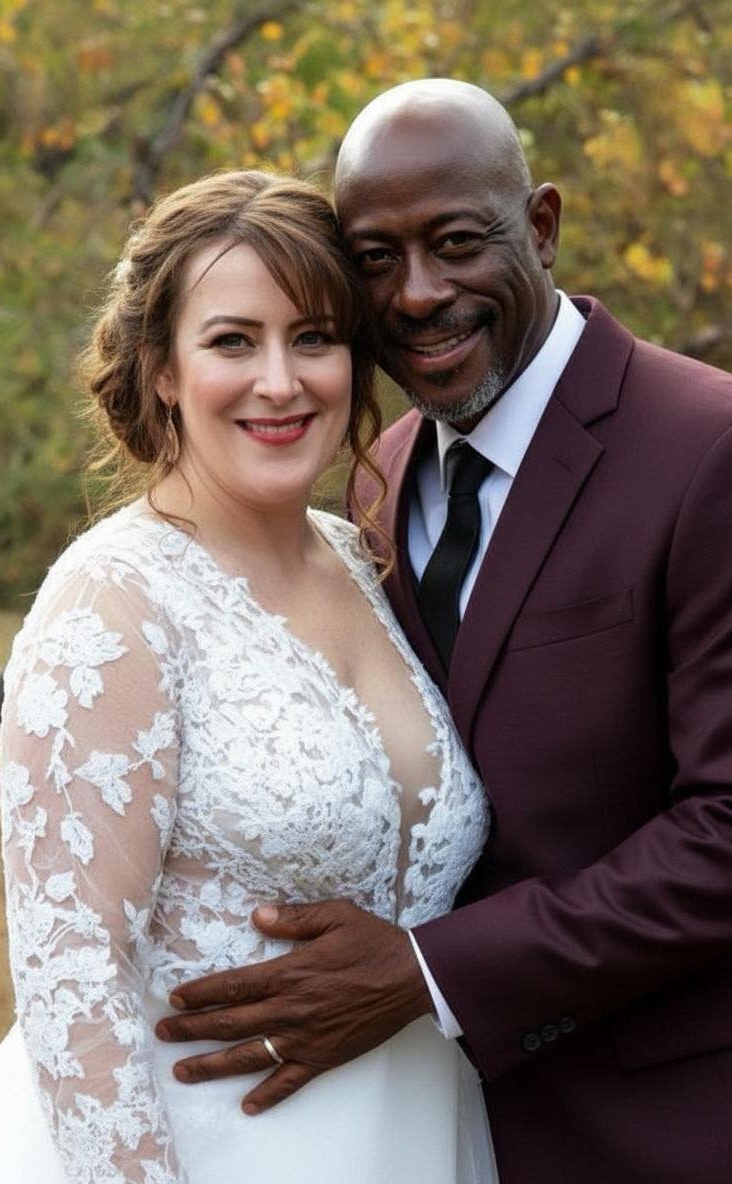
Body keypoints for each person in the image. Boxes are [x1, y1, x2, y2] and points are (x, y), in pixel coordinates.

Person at [153, 83, 732, 1184]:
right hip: (407, 1124)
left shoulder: (708, 448)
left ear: (542, 225)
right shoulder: (378, 473)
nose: (418, 294)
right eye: (375, 258)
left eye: (458, 242)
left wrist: (428, 971)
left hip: (663, 1126)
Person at [0, 169, 499, 1184]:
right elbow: (72, 978)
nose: (281, 381)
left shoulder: (366, 558)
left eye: (314, 337)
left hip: (424, 1135)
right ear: (162, 369)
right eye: (233, 341)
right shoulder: (112, 603)